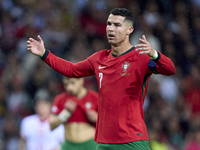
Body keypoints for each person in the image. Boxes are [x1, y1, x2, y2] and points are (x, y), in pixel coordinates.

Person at [27, 8, 176, 150]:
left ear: (129, 30)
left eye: (117, 25)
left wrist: (155, 54)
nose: (111, 28)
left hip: (133, 139)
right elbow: (72, 70)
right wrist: (45, 54)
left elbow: (170, 69)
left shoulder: (141, 56)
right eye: (109, 24)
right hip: (104, 142)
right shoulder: (99, 58)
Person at [49, 76, 99, 150]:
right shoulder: (60, 99)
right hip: (69, 145)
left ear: (81, 80)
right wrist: (65, 113)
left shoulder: (94, 97)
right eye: (66, 84)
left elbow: (109, 124)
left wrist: (96, 118)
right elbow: (51, 126)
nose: (69, 87)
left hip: (90, 144)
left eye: (72, 83)